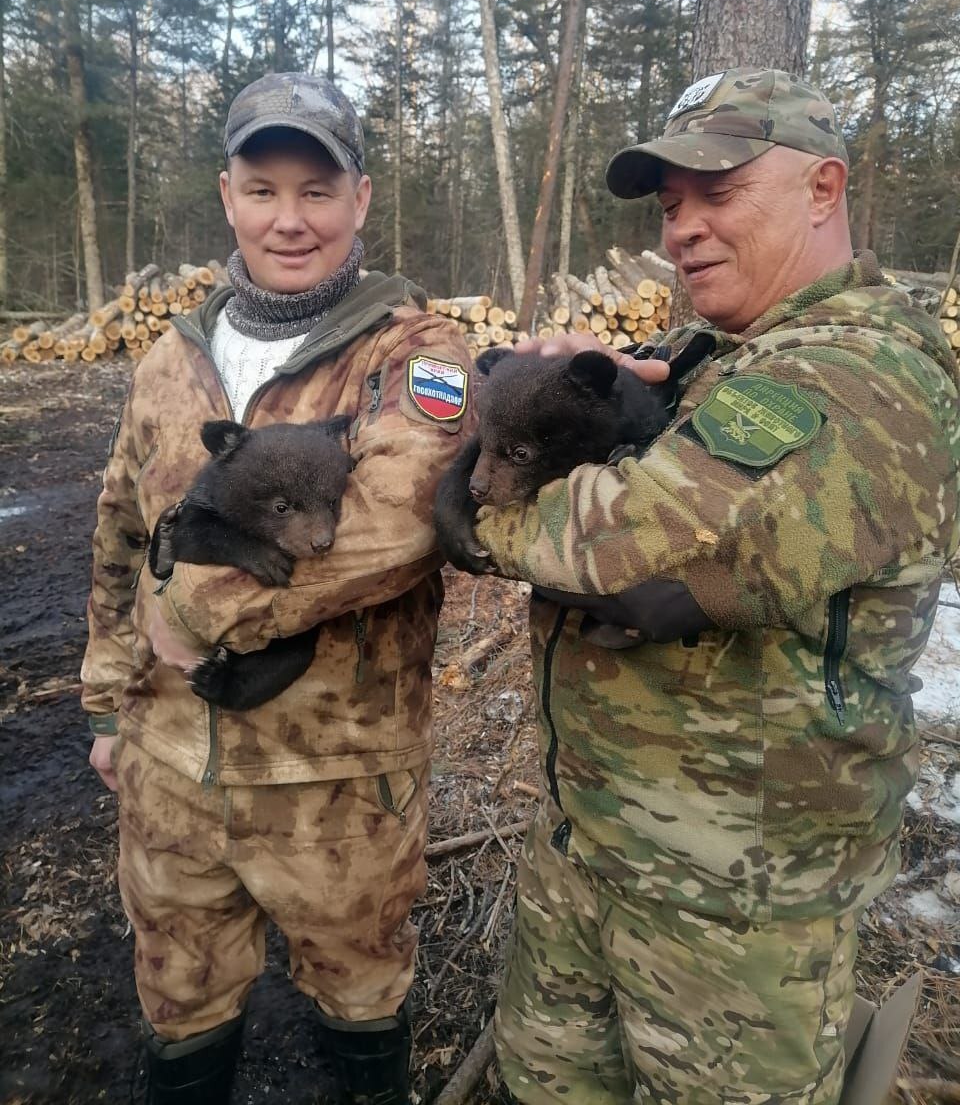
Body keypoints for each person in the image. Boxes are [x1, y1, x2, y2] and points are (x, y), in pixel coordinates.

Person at [469, 68, 960, 1104]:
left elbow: (636, 544)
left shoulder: (867, 374)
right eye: (670, 205)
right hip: (589, 849)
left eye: (718, 193)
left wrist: (485, 491)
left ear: (823, 189)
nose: (683, 228)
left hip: (737, 913)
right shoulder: (713, 358)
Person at [81, 72, 474, 1104]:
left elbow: (395, 525)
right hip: (168, 772)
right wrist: (109, 699)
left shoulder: (416, 353)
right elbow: (123, 527)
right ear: (227, 195)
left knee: (361, 1001)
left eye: (317, 189)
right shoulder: (171, 358)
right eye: (264, 189)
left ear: (363, 199)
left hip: (335, 786)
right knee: (180, 1004)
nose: (289, 219)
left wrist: (198, 609)